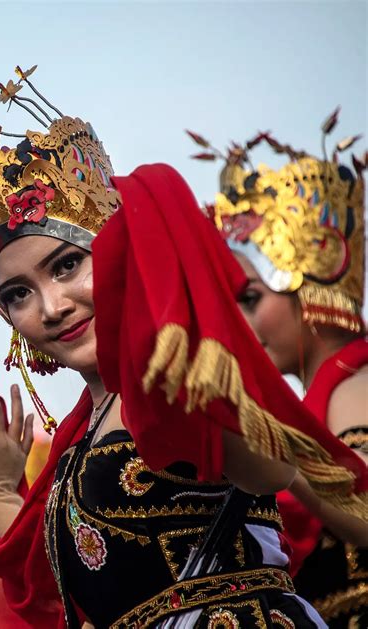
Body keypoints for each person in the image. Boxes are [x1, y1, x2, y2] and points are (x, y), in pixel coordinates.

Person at [0, 70, 366, 628]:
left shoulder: (180, 374)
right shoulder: (81, 435)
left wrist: (254, 442)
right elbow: (101, 582)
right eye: (19, 294)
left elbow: (313, 489)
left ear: (123, 248)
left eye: (68, 264)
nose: (51, 307)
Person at [203, 123, 368, 627]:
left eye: (251, 299)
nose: (242, 327)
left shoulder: (354, 384)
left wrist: (281, 452)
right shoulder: (327, 394)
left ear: (309, 285)